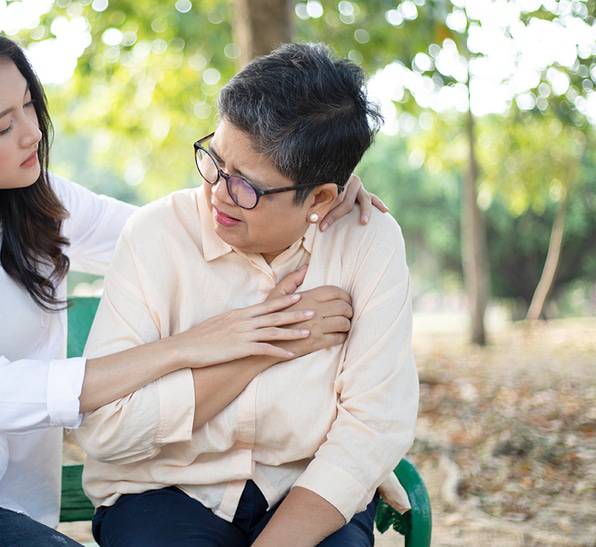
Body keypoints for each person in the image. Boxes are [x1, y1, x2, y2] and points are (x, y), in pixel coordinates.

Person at [0, 25, 381, 547]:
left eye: (28, 105)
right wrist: (189, 346)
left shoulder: (43, 205)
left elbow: (177, 233)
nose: (32, 134)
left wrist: (312, 181)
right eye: (2, 127)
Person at [75, 43, 419, 547]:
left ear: (321, 197)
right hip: (163, 493)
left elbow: (374, 425)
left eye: (247, 187)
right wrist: (258, 346)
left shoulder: (367, 241)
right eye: (214, 160)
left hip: (305, 494)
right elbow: (106, 430)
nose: (217, 192)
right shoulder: (157, 236)